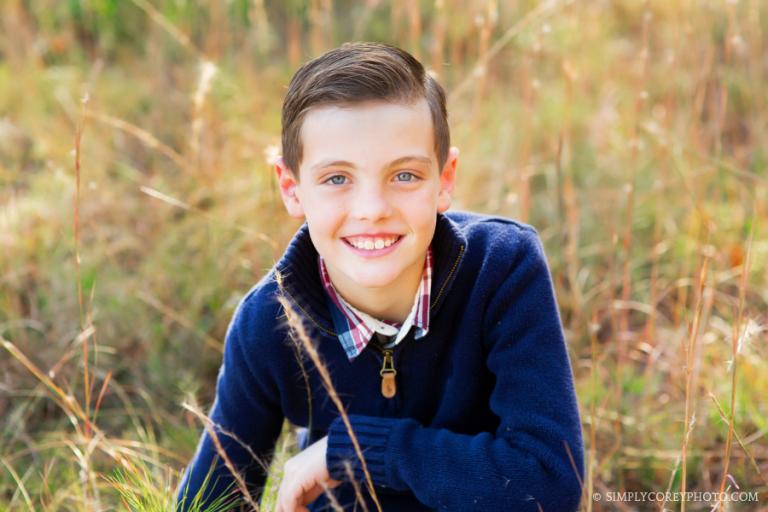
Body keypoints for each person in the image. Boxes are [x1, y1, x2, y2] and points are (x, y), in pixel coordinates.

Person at [177, 42, 583, 512]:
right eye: (337, 179)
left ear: (445, 179)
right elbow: (209, 502)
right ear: (291, 188)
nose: (372, 210)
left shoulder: (501, 269)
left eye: (405, 175)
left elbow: (551, 483)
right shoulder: (270, 320)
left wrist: (355, 450)